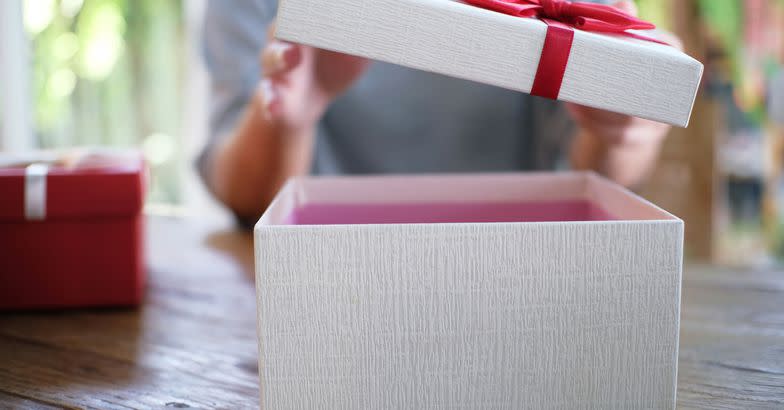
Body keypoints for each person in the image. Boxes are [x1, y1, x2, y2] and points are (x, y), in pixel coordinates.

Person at [199, 0, 674, 225]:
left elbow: (594, 174)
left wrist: (623, 129)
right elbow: (242, 196)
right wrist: (288, 119)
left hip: (520, 261)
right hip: (323, 270)